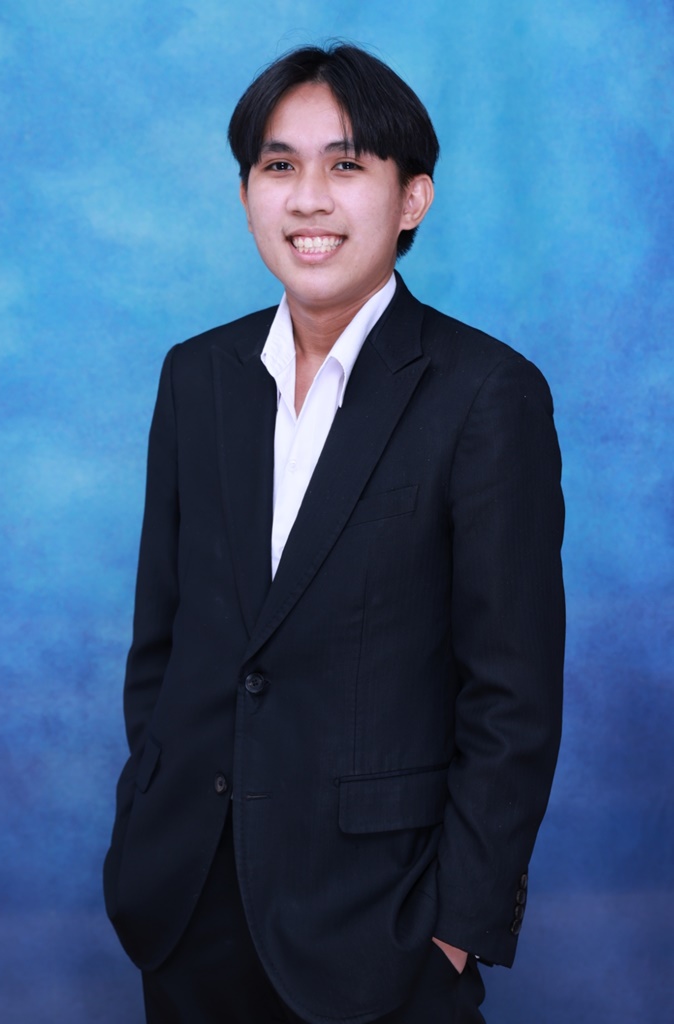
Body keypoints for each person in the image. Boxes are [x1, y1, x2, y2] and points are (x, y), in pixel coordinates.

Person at [104, 42, 565, 1024]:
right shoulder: (197, 376)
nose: (308, 198)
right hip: (188, 902)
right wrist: (150, 809)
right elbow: (164, 642)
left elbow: (512, 698)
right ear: (246, 196)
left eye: (346, 164)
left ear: (412, 199)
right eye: (279, 165)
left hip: (381, 925)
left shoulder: (486, 395)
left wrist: (455, 926)